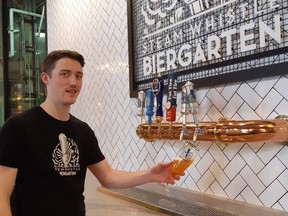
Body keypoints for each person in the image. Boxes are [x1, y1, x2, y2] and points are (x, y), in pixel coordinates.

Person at [0, 50, 182, 216]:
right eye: (65, 74)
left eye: (78, 76)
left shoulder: (82, 131)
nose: (73, 82)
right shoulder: (19, 126)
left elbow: (108, 177)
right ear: (45, 78)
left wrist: (150, 175)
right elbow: (2, 193)